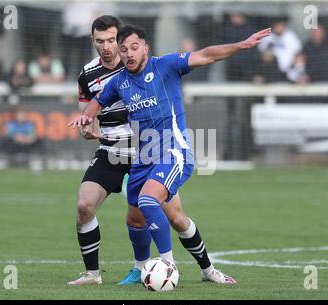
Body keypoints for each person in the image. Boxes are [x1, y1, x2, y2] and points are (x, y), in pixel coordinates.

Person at [69, 22, 270, 284]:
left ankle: (168, 265)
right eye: (124, 49)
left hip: (173, 151)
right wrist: (86, 118)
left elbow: (207, 55)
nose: (128, 54)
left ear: (145, 48)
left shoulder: (166, 65)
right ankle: (158, 270)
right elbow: (97, 102)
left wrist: (242, 45)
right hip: (143, 156)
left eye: (133, 47)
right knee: (140, 217)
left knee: (149, 202)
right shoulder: (119, 81)